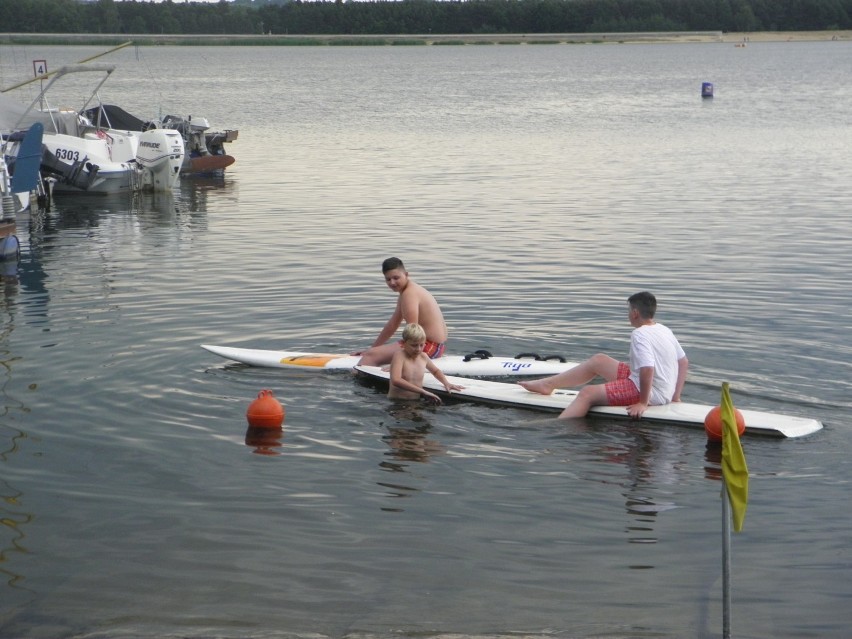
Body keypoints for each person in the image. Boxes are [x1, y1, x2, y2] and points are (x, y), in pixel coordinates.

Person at [519, 292, 688, 419]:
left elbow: (647, 369)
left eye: (628, 310)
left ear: (635, 313)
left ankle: (556, 426)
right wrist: (675, 396)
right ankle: (547, 384)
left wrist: (643, 403)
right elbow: (683, 362)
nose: (627, 314)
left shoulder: (640, 334)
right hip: (659, 389)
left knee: (587, 394)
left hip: (649, 392)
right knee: (598, 361)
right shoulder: (664, 329)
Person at [354, 257, 449, 367]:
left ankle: (360, 380)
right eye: (388, 279)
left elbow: (413, 331)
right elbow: (392, 325)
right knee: (372, 352)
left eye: (396, 278)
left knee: (370, 356)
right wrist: (374, 348)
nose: (392, 283)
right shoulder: (406, 292)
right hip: (432, 346)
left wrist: (398, 364)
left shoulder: (409, 294)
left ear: (406, 275)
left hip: (427, 346)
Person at [388, 323, 464, 404]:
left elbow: (435, 371)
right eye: (414, 345)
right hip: (397, 402)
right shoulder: (399, 356)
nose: (418, 349)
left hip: (415, 402)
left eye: (421, 345)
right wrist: (423, 391)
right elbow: (396, 380)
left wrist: (446, 383)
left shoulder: (423, 357)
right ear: (403, 343)